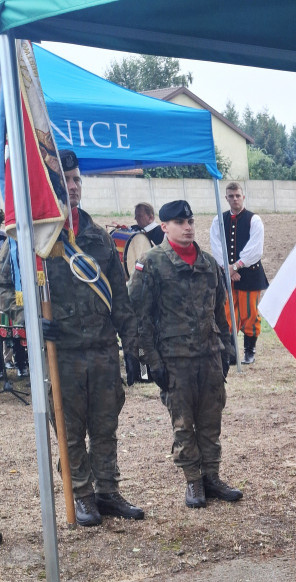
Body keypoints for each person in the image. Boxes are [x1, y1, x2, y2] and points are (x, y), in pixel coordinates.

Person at [44, 149, 144, 526]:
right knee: (70, 430)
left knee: (105, 426)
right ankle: (82, 494)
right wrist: (32, 322)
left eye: (76, 180)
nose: (72, 187)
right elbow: (9, 287)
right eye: (64, 181)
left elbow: (120, 298)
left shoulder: (99, 237)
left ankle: (107, 490)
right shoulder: (41, 239)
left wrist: (133, 347)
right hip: (64, 352)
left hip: (102, 352)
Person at [131, 200, 242, 509]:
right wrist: (152, 362)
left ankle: (212, 477)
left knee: (210, 421)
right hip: (174, 360)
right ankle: (193, 481)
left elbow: (220, 313)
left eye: (191, 220)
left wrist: (228, 351)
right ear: (164, 227)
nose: (188, 226)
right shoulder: (151, 264)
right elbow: (139, 317)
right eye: (180, 222)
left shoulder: (209, 264)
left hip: (209, 357)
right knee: (183, 424)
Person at [209, 182, 269, 364]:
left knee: (249, 313)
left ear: (243, 197)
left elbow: (255, 249)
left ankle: (249, 351)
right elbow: (216, 245)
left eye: (237, 195)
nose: (234, 199)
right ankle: (231, 352)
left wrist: (236, 266)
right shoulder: (218, 220)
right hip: (227, 274)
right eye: (231, 196)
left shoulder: (254, 220)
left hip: (249, 274)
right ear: (226, 198)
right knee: (227, 314)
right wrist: (227, 267)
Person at [0, 211, 29, 377]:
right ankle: (10, 365)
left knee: (18, 334)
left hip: (22, 294)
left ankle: (21, 364)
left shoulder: (6, 238)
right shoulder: (9, 242)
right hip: (11, 295)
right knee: (9, 334)